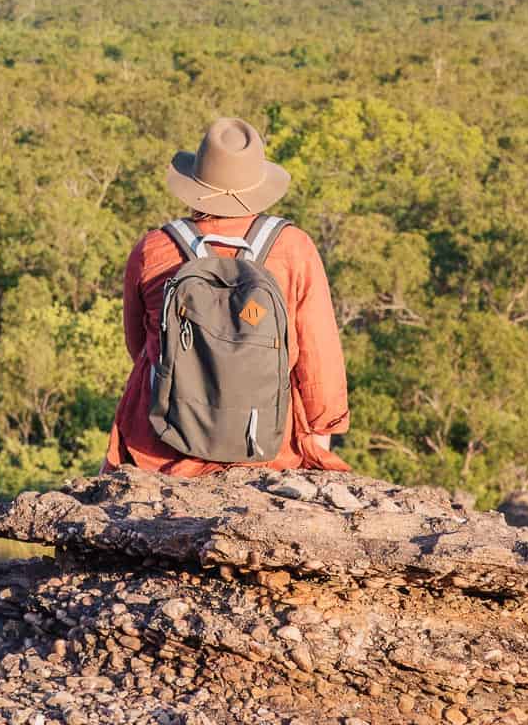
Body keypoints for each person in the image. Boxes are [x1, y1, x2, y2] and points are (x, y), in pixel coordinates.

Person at [104, 117, 351, 474]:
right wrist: (319, 437)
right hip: (269, 446)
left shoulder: (153, 249)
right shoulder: (294, 248)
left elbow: (139, 347)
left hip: (162, 446)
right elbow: (319, 356)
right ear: (258, 186)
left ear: (194, 185)